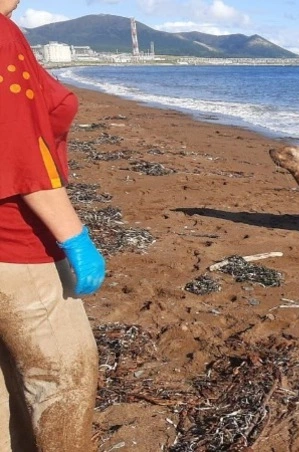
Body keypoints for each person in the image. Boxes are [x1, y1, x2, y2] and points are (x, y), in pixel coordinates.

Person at [0, 0, 106, 450]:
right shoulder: (1, 36)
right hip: (13, 244)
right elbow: (20, 148)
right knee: (64, 378)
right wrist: (75, 237)